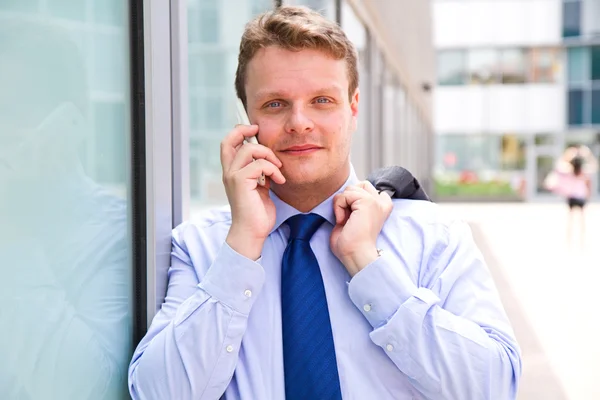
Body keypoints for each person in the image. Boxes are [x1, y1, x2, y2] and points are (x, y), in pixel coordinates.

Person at [128, 6, 521, 400]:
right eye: (275, 104)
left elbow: (493, 387)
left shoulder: (433, 235)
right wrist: (242, 245)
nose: (299, 122)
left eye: (321, 100)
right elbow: (157, 393)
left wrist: (370, 267)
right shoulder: (203, 247)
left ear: (353, 107)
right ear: (246, 117)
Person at [0, 18, 131, 399]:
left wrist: (14, 230)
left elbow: (82, 387)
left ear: (68, 123)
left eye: (8, 109)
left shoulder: (117, 234)